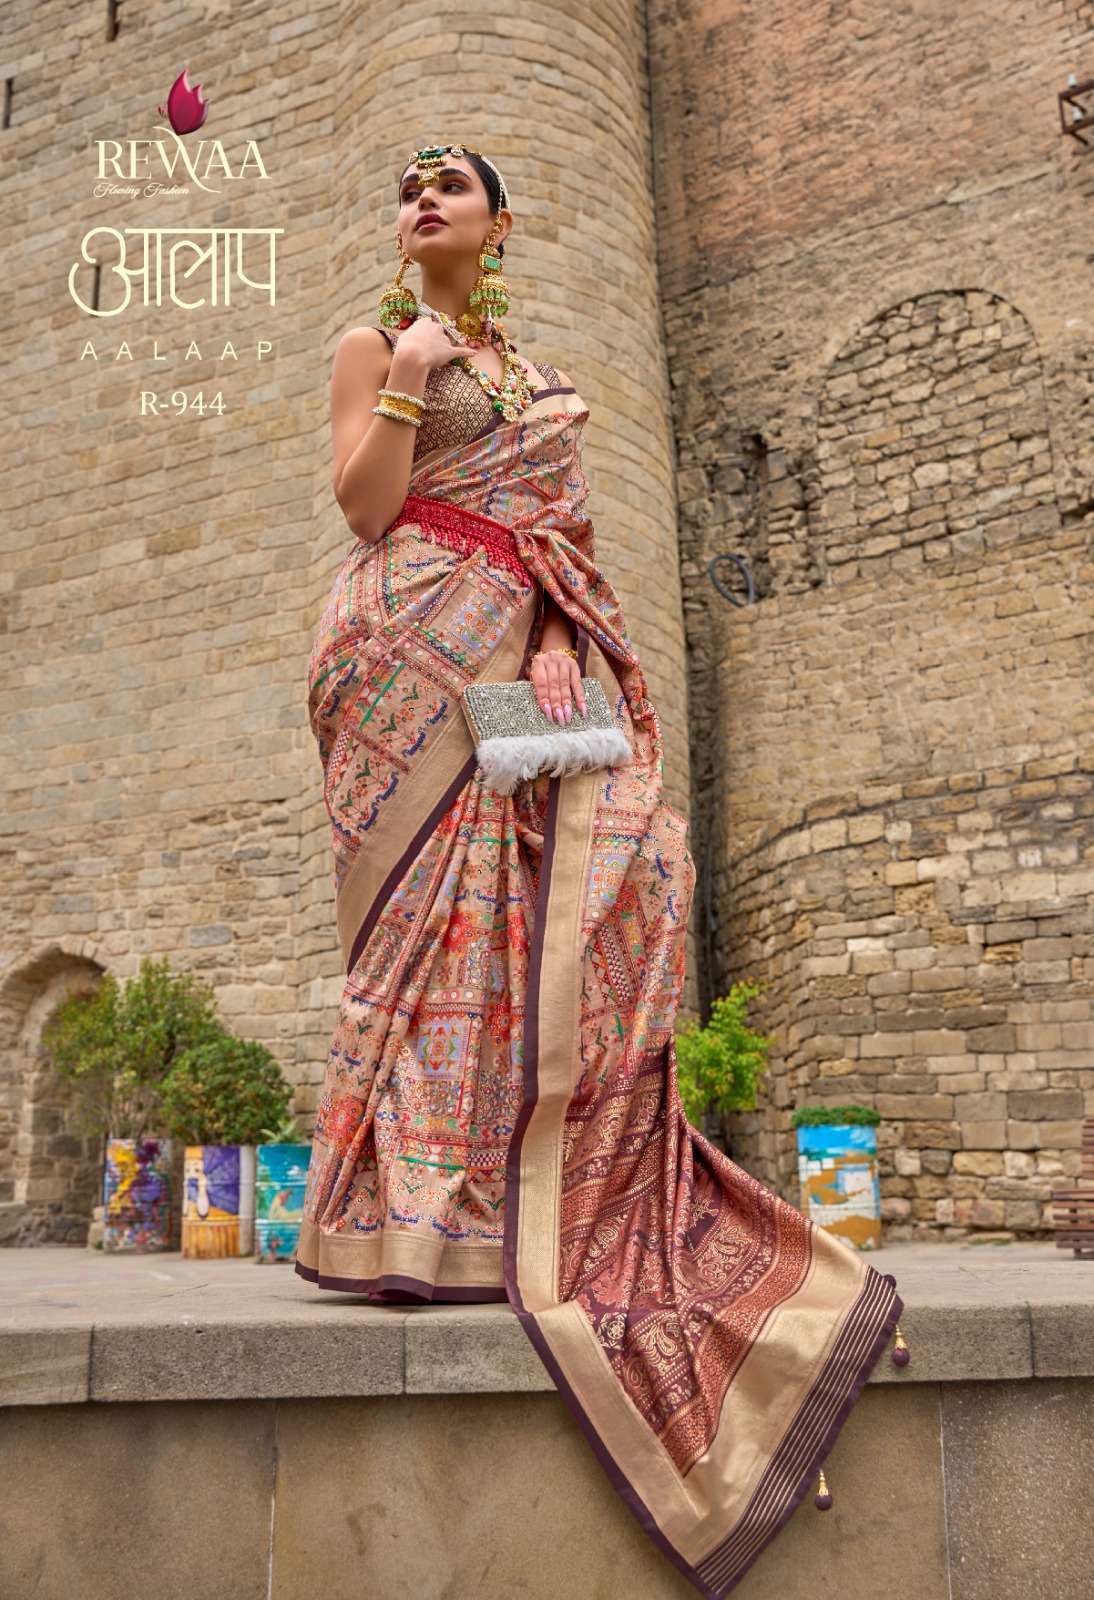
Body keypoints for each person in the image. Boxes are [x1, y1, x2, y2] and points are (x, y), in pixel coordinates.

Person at [294, 140, 910, 1598]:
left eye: (451, 184)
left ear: (500, 222)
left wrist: (573, 647)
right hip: (402, 640)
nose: (424, 198)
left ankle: (512, 1197)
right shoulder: (377, 342)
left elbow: (563, 533)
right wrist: (410, 372)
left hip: (528, 646)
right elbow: (365, 506)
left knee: (577, 893)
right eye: (408, 187)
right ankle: (406, 1219)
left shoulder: (540, 375)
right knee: (424, 922)